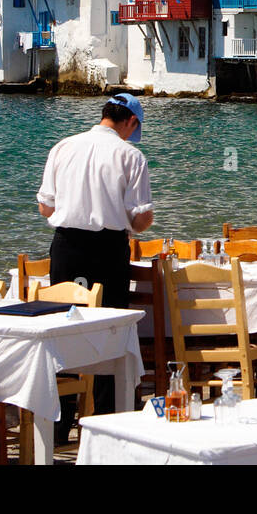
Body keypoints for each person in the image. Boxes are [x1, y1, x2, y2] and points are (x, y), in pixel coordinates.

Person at [37, 93, 153, 431]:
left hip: (66, 247)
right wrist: (134, 223)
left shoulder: (62, 147)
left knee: (63, 327)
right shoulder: (131, 155)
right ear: (130, 122)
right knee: (111, 329)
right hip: (108, 248)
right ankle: (106, 420)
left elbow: (46, 207)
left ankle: (59, 423)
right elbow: (141, 216)